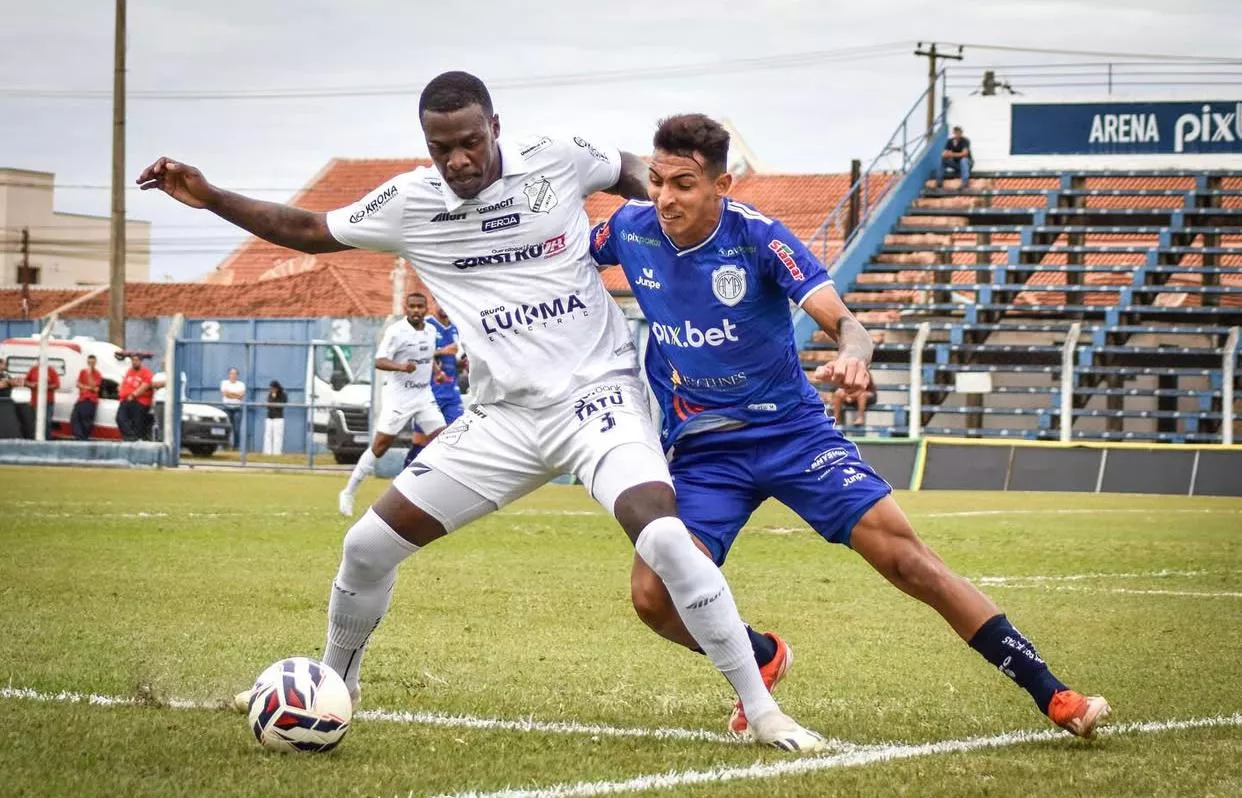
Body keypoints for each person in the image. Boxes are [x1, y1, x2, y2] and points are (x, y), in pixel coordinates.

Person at [137, 72, 825, 752]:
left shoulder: (555, 156)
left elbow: (636, 171)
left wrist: (699, 212)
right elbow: (312, 229)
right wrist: (213, 197)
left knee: (666, 539)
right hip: (503, 420)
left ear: (494, 128)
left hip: (600, 399)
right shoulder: (410, 201)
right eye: (443, 149)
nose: (459, 160)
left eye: (470, 142)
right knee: (365, 548)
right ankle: (333, 688)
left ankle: (763, 710)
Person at [591, 113, 1110, 739]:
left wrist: (853, 359)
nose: (666, 198)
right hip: (703, 450)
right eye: (656, 181)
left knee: (908, 561)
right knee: (653, 597)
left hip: (793, 434)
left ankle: (1052, 693)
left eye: (683, 184)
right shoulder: (629, 228)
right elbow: (557, 262)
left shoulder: (761, 238)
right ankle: (760, 655)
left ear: (722, 185)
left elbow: (849, 324)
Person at [339, 291, 446, 516]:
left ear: (426, 309)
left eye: (420, 306)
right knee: (380, 447)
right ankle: (348, 491)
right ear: (405, 309)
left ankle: (427, 490)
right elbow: (379, 361)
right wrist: (400, 367)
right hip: (399, 398)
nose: (416, 310)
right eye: (412, 307)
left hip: (424, 396)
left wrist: (437, 372)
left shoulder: (431, 330)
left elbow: (426, 357)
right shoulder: (396, 332)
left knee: (444, 440)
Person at [403, 304, 463, 468]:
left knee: (457, 436)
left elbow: (455, 359)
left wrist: (462, 363)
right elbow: (414, 355)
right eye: (440, 302)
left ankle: (445, 477)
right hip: (429, 392)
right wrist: (442, 351)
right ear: (434, 302)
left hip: (452, 392)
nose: (444, 306)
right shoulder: (426, 325)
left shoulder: (455, 329)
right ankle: (405, 476)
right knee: (421, 441)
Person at [117, 354, 154, 442]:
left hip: (139, 401)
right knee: (120, 418)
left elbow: (145, 385)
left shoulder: (146, 372)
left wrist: (133, 395)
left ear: (141, 361)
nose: (134, 362)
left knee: (137, 422)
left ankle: (135, 438)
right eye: (133, 360)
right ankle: (129, 437)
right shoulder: (129, 371)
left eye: (136, 360)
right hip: (125, 400)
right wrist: (120, 389)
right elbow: (124, 382)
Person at [24, 361, 61, 440]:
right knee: (35, 422)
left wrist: (45, 386)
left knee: (47, 421)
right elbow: (25, 381)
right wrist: (32, 385)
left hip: (48, 401)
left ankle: (46, 441)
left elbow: (57, 385)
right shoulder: (33, 370)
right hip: (35, 401)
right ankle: (34, 440)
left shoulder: (51, 371)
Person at [71, 354, 103, 440]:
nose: (90, 364)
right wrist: (88, 388)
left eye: (92, 362)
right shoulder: (82, 372)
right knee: (74, 418)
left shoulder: (98, 374)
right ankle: (79, 437)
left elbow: (95, 389)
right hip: (81, 399)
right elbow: (78, 384)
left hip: (90, 400)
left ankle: (83, 438)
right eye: (89, 362)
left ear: (95, 363)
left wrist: (89, 375)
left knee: (86, 422)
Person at [220, 367, 246, 450]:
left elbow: (241, 396)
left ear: (237, 375)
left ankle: (236, 447)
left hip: (237, 409)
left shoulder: (241, 384)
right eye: (231, 373)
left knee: (237, 429)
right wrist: (236, 395)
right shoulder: (224, 383)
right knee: (226, 428)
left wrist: (230, 394)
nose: (233, 375)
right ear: (229, 375)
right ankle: (225, 446)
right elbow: (225, 394)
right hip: (226, 408)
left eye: (235, 374)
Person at [264, 380, 287, 455]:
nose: (272, 390)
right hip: (269, 416)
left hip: (278, 417)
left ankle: (277, 452)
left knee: (278, 436)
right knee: (268, 435)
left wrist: (274, 399)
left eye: (273, 388)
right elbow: (267, 405)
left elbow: (281, 405)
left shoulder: (283, 394)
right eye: (271, 388)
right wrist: (272, 400)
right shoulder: (270, 394)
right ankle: (267, 452)